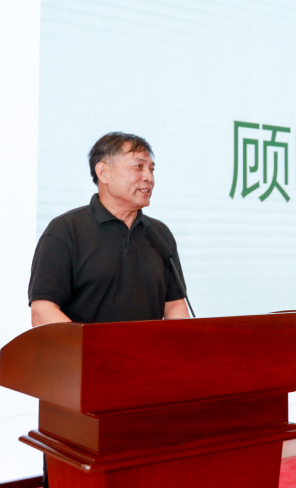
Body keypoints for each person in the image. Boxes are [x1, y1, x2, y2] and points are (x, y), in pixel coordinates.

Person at [28, 132, 190, 486]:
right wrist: (95, 360)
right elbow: (42, 309)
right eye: (138, 166)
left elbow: (175, 305)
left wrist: (179, 359)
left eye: (152, 168)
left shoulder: (159, 235)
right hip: (80, 392)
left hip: (147, 390)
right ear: (103, 172)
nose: (148, 177)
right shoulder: (66, 231)